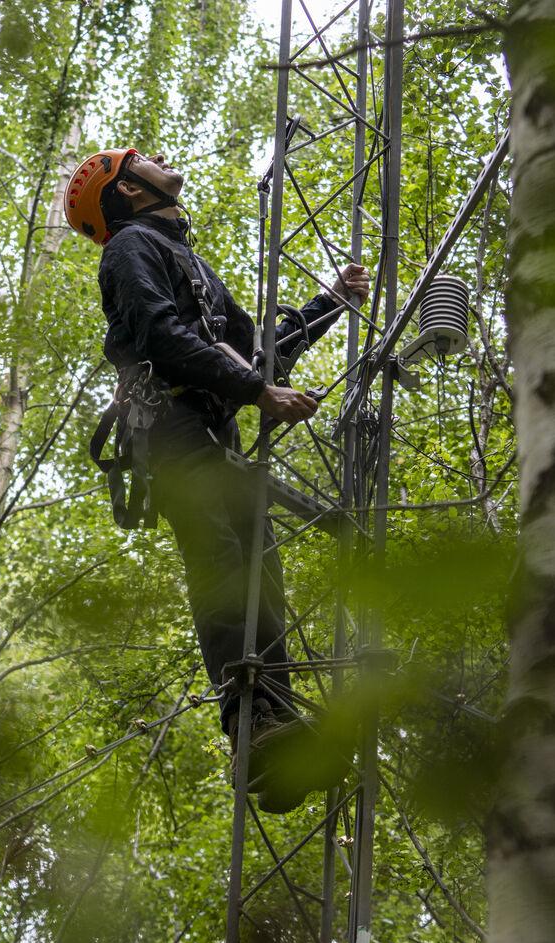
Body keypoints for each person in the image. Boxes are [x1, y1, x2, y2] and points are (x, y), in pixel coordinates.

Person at [65, 147, 370, 811]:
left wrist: (331, 303)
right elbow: (164, 336)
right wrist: (258, 392)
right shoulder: (129, 250)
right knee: (223, 560)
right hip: (169, 430)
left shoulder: (189, 262)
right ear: (130, 194)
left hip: (211, 435)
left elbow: (252, 350)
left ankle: (277, 721)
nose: (160, 159)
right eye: (140, 160)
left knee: (263, 568)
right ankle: (250, 722)